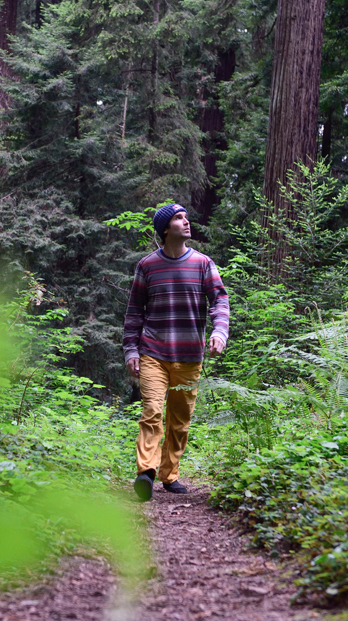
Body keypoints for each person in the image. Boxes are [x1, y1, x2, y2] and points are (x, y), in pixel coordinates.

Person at [123, 203, 229, 502]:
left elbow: (219, 301)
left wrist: (220, 332)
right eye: (178, 218)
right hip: (153, 352)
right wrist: (131, 350)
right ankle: (146, 472)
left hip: (190, 355)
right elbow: (134, 312)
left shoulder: (203, 263)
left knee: (180, 420)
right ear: (166, 229)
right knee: (152, 411)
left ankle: (169, 474)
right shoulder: (147, 266)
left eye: (186, 217)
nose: (186, 222)